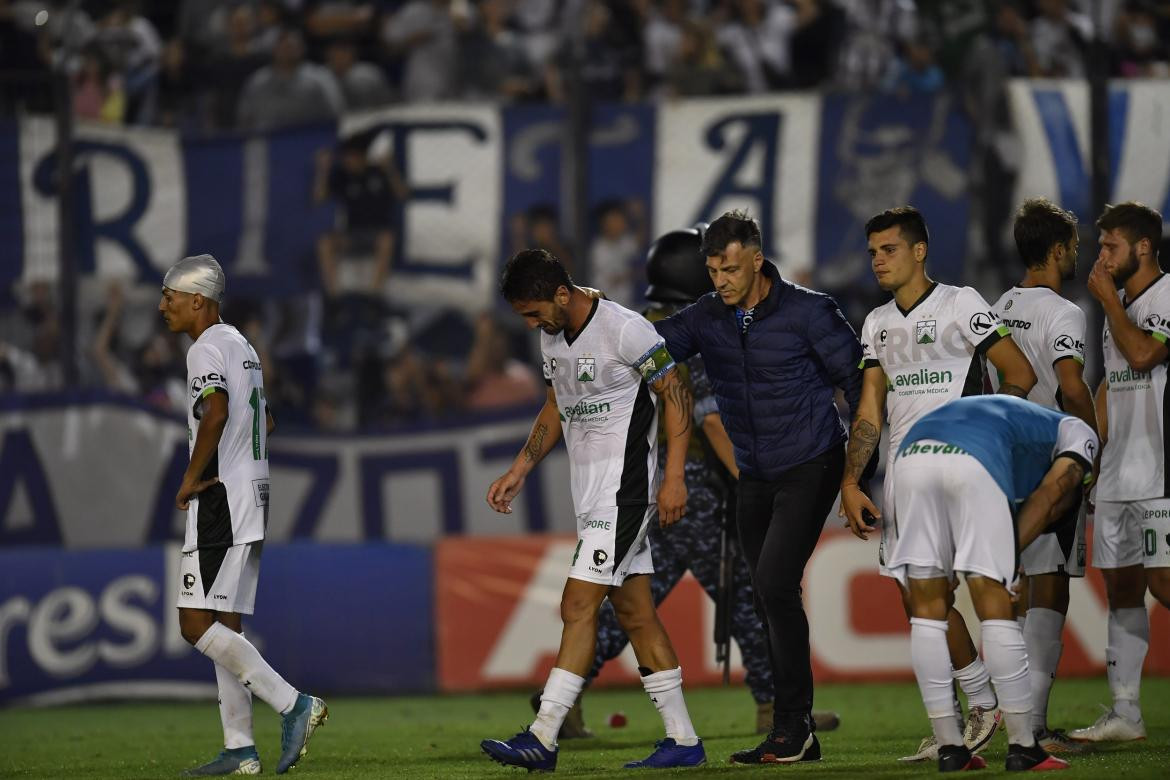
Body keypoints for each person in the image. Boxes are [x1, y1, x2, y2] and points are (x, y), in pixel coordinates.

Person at [542, 228, 841, 739]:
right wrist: (752, 482)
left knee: (635, 600)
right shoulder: (699, 331)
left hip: (636, 483)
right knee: (752, 593)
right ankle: (778, 707)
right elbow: (707, 416)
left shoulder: (637, 323)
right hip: (692, 485)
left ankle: (567, 695)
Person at [480, 249, 706, 772]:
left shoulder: (626, 330)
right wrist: (520, 469)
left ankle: (543, 735)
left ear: (562, 294)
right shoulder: (553, 335)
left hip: (626, 492)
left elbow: (675, 394)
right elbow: (558, 403)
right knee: (635, 613)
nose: (532, 324)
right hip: (590, 494)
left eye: (534, 313)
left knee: (578, 605)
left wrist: (673, 478)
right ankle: (684, 740)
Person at [653, 210, 859, 764]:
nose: (719, 280)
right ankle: (792, 727)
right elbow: (648, 347)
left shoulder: (811, 312)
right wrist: (592, 324)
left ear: (757, 260)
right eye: (713, 269)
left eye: (730, 269)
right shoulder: (706, 316)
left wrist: (857, 476)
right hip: (754, 476)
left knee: (772, 583)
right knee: (770, 597)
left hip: (811, 463)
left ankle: (792, 724)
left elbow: (861, 383)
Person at [839, 206, 1037, 762]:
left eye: (890, 249)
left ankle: (1008, 718)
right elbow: (870, 406)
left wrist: (987, 439)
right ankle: (981, 705)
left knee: (984, 591)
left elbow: (1020, 374)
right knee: (917, 599)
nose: (878, 259)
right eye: (873, 251)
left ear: (919, 250)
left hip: (965, 469)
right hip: (904, 474)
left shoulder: (961, 303)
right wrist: (852, 480)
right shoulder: (876, 323)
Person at [160, 254, 327, 777]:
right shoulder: (242, 345)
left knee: (194, 624)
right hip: (251, 492)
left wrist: (191, 477)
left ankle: (295, 703)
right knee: (225, 624)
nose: (162, 305)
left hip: (221, 500)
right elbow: (266, 419)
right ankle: (240, 749)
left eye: (169, 295)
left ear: (197, 301)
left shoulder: (205, 348)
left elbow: (217, 411)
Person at [888, 394, 1094, 773]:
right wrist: (1008, 558)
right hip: (973, 460)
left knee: (927, 610)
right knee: (994, 600)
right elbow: (1051, 496)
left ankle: (951, 749)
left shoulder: (1017, 419)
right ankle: (1024, 746)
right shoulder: (1078, 432)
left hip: (911, 456)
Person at [991, 198, 1097, 753]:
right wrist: (1091, 445)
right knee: (1050, 589)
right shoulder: (1065, 311)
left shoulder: (1000, 305)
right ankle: (1032, 728)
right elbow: (1071, 384)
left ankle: (1018, 720)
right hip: (1052, 456)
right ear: (1057, 250)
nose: (1077, 255)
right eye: (1075, 247)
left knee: (1026, 585)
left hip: (1007, 457)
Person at [1070, 201, 1170, 742]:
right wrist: (1093, 452)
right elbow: (1111, 381)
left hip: (1161, 473)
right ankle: (1126, 713)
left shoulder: (1166, 295)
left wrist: (1109, 303)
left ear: (1143, 247)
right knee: (1124, 588)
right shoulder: (1121, 304)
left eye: (1111, 247)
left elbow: (1143, 356)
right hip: (1118, 476)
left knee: (1165, 583)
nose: (1101, 257)